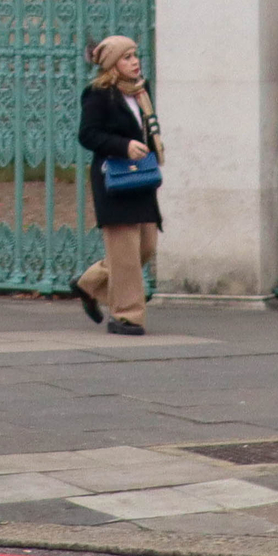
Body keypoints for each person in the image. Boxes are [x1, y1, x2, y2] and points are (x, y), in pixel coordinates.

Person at [74, 34, 164, 336]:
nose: (135, 61)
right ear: (113, 64)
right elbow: (88, 135)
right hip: (114, 177)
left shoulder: (141, 91)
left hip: (141, 176)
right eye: (127, 57)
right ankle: (127, 316)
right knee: (124, 252)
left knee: (146, 246)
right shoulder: (98, 94)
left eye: (135, 55)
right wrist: (123, 145)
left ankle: (89, 283)